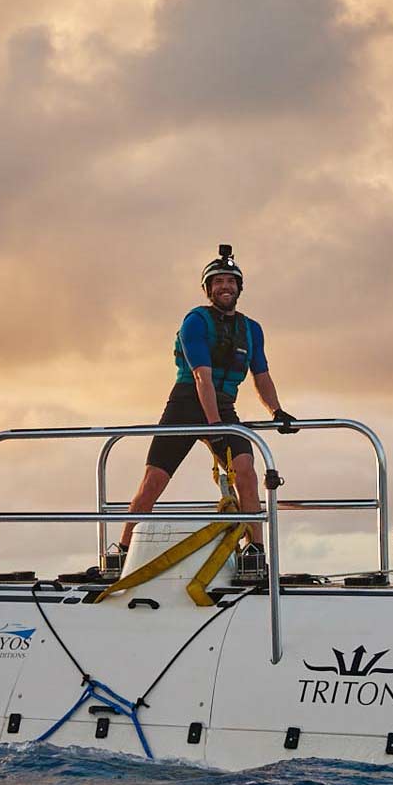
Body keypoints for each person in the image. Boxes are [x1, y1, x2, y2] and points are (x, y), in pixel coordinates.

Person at [113, 244, 295, 571]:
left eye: (231, 281)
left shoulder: (251, 330)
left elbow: (262, 374)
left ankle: (254, 552)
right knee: (153, 481)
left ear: (240, 288)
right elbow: (201, 376)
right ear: (208, 289)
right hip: (186, 404)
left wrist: (277, 412)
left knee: (246, 472)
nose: (225, 287)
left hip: (224, 406)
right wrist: (214, 426)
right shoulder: (195, 321)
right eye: (218, 282)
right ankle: (121, 552)